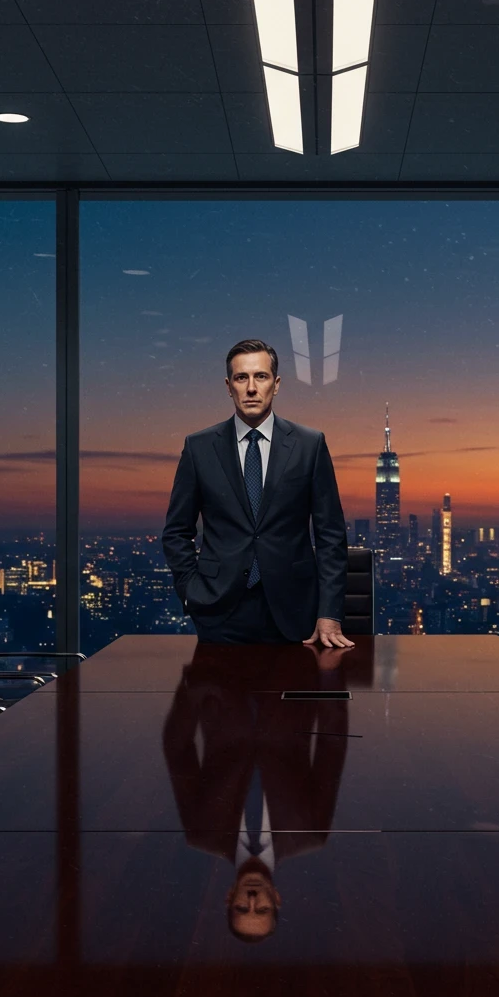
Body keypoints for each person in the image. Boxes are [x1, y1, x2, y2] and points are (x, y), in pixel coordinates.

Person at [162, 339, 354, 647]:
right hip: (218, 609)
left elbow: (331, 534)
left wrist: (329, 612)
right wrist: (191, 590)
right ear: (229, 386)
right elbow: (176, 532)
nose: (251, 388)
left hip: (295, 609)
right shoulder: (198, 448)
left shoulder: (310, 444)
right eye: (242, 378)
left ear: (276, 384)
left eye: (261, 377)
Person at [162, 642, 357, 941]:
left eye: (242, 908)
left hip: (221, 665)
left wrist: (194, 687)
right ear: (276, 899)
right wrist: (329, 676)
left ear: (229, 898)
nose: (252, 900)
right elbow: (332, 746)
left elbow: (178, 750)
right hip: (293, 667)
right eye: (262, 910)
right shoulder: (310, 835)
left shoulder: (202, 834)